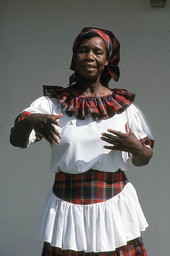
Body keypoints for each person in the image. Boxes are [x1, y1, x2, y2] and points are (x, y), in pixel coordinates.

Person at [10, 27, 154, 256]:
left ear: (108, 60)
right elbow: (17, 141)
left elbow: (144, 158)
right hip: (66, 206)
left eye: (98, 52)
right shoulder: (51, 104)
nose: (89, 57)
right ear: (74, 57)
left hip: (115, 205)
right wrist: (31, 120)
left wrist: (136, 147)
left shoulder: (125, 108)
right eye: (83, 50)